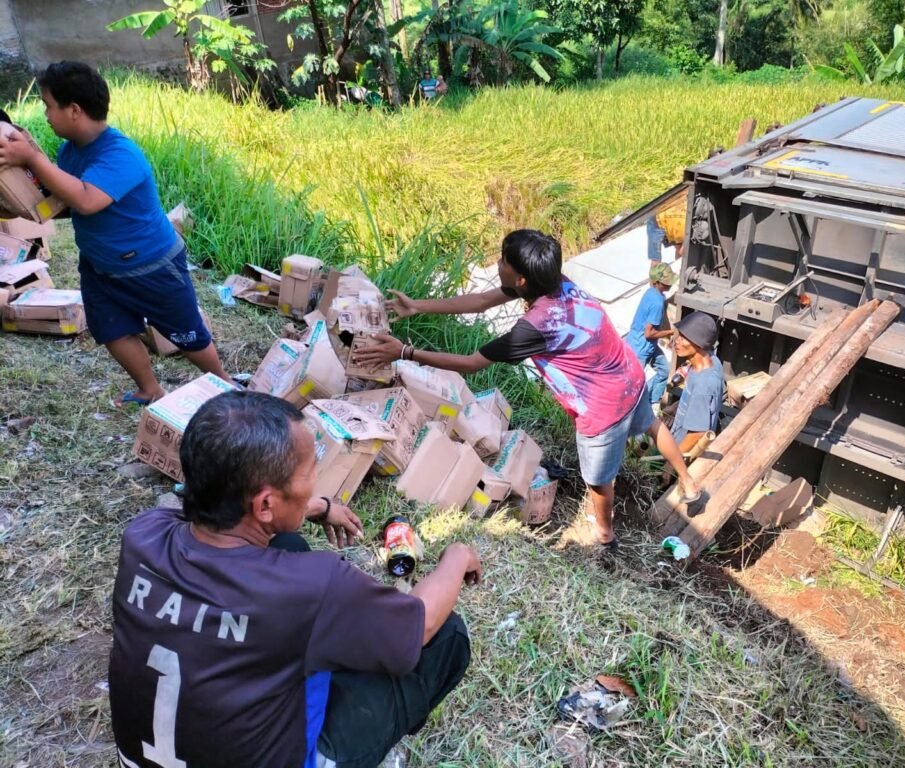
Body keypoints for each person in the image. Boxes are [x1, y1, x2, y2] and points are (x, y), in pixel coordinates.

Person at [108, 390, 480, 768]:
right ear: (265, 504)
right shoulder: (316, 586)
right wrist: (456, 556)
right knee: (446, 636)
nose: (314, 479)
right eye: (309, 471)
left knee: (286, 542)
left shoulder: (143, 534)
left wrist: (312, 507)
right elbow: (421, 626)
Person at [351, 229, 702, 548]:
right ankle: (688, 484)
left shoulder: (533, 329)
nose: (498, 263)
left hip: (603, 405)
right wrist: (417, 307)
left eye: (503, 260)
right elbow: (481, 300)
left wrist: (404, 352)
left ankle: (604, 534)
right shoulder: (555, 282)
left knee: (598, 479)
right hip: (628, 373)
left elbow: (472, 363)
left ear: (520, 278)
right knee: (653, 425)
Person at [0, 61, 230, 406]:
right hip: (100, 264)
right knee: (111, 329)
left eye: (49, 105)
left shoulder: (120, 154)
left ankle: (224, 384)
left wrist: (33, 159)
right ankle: (150, 388)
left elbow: (88, 199)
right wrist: (18, 202)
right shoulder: (71, 151)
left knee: (185, 333)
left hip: (151, 265)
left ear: (74, 110)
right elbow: (64, 202)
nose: (45, 114)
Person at [668, 311, 724, 456]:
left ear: (698, 343)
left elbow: (698, 433)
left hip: (684, 450)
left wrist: (673, 461)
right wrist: (676, 408)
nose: (677, 341)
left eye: (684, 338)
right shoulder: (712, 361)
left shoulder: (703, 385)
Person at [625, 262, 676, 407]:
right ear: (658, 282)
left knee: (664, 370)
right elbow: (649, 333)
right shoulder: (657, 302)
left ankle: (653, 402)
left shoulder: (652, 293)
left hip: (646, 345)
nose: (670, 284)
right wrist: (672, 332)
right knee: (633, 385)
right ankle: (633, 409)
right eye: (667, 281)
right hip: (640, 347)